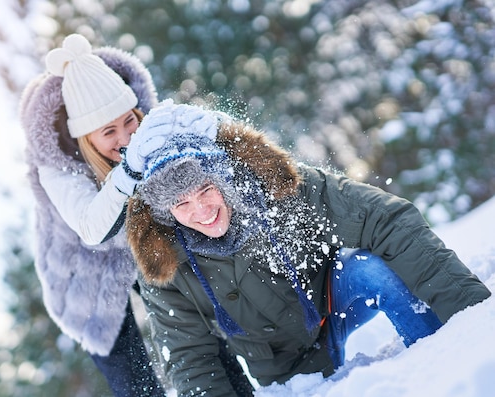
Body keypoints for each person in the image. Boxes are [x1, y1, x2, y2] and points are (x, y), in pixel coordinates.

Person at [122, 101, 492, 396]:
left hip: (331, 301)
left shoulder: (279, 190)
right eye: (182, 204)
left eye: (206, 190)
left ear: (225, 176)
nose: (201, 211)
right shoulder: (164, 263)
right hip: (285, 367)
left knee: (370, 269)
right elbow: (191, 359)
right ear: (165, 212)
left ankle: (443, 365)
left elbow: (386, 220)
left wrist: (475, 317)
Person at [19, 35, 254, 396]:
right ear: (85, 139)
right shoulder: (56, 166)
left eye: (129, 122)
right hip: (83, 274)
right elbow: (91, 228)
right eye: (109, 132)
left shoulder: (149, 129)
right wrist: (130, 169)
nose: (126, 137)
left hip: (139, 244)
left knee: (194, 332)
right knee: (132, 379)